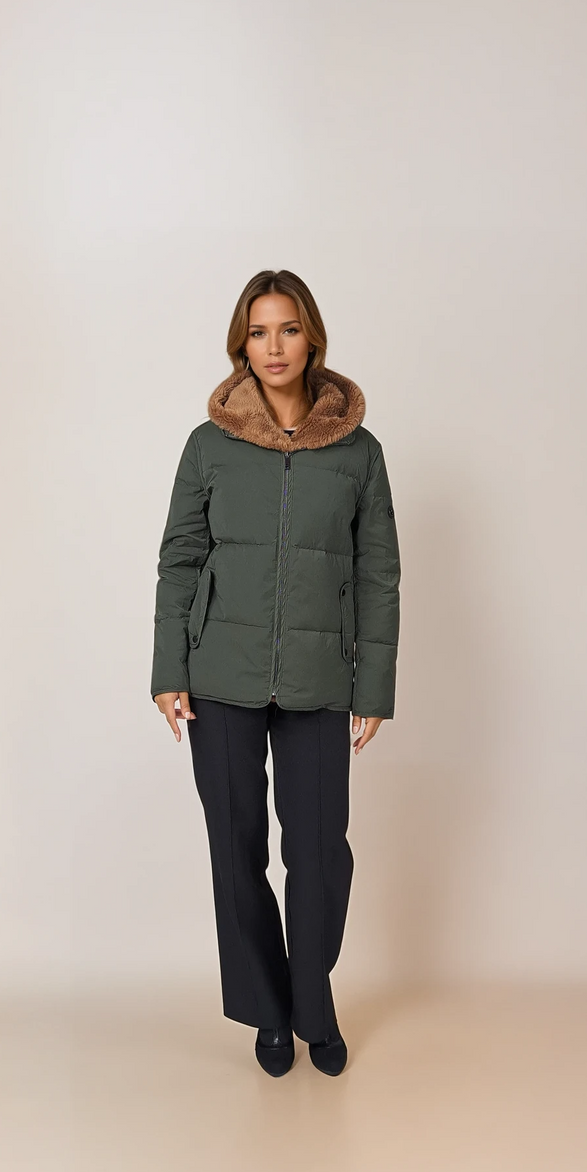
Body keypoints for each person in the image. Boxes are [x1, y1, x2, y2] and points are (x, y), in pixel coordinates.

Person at [151, 269, 401, 1077]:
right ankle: (267, 1010)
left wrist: (373, 686)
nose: (274, 346)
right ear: (241, 344)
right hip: (218, 677)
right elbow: (180, 559)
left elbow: (377, 574)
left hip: (320, 677)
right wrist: (168, 669)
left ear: (311, 336)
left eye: (287, 328)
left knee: (320, 852)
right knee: (236, 849)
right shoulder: (209, 445)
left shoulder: (358, 452)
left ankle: (310, 1004)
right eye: (258, 332)